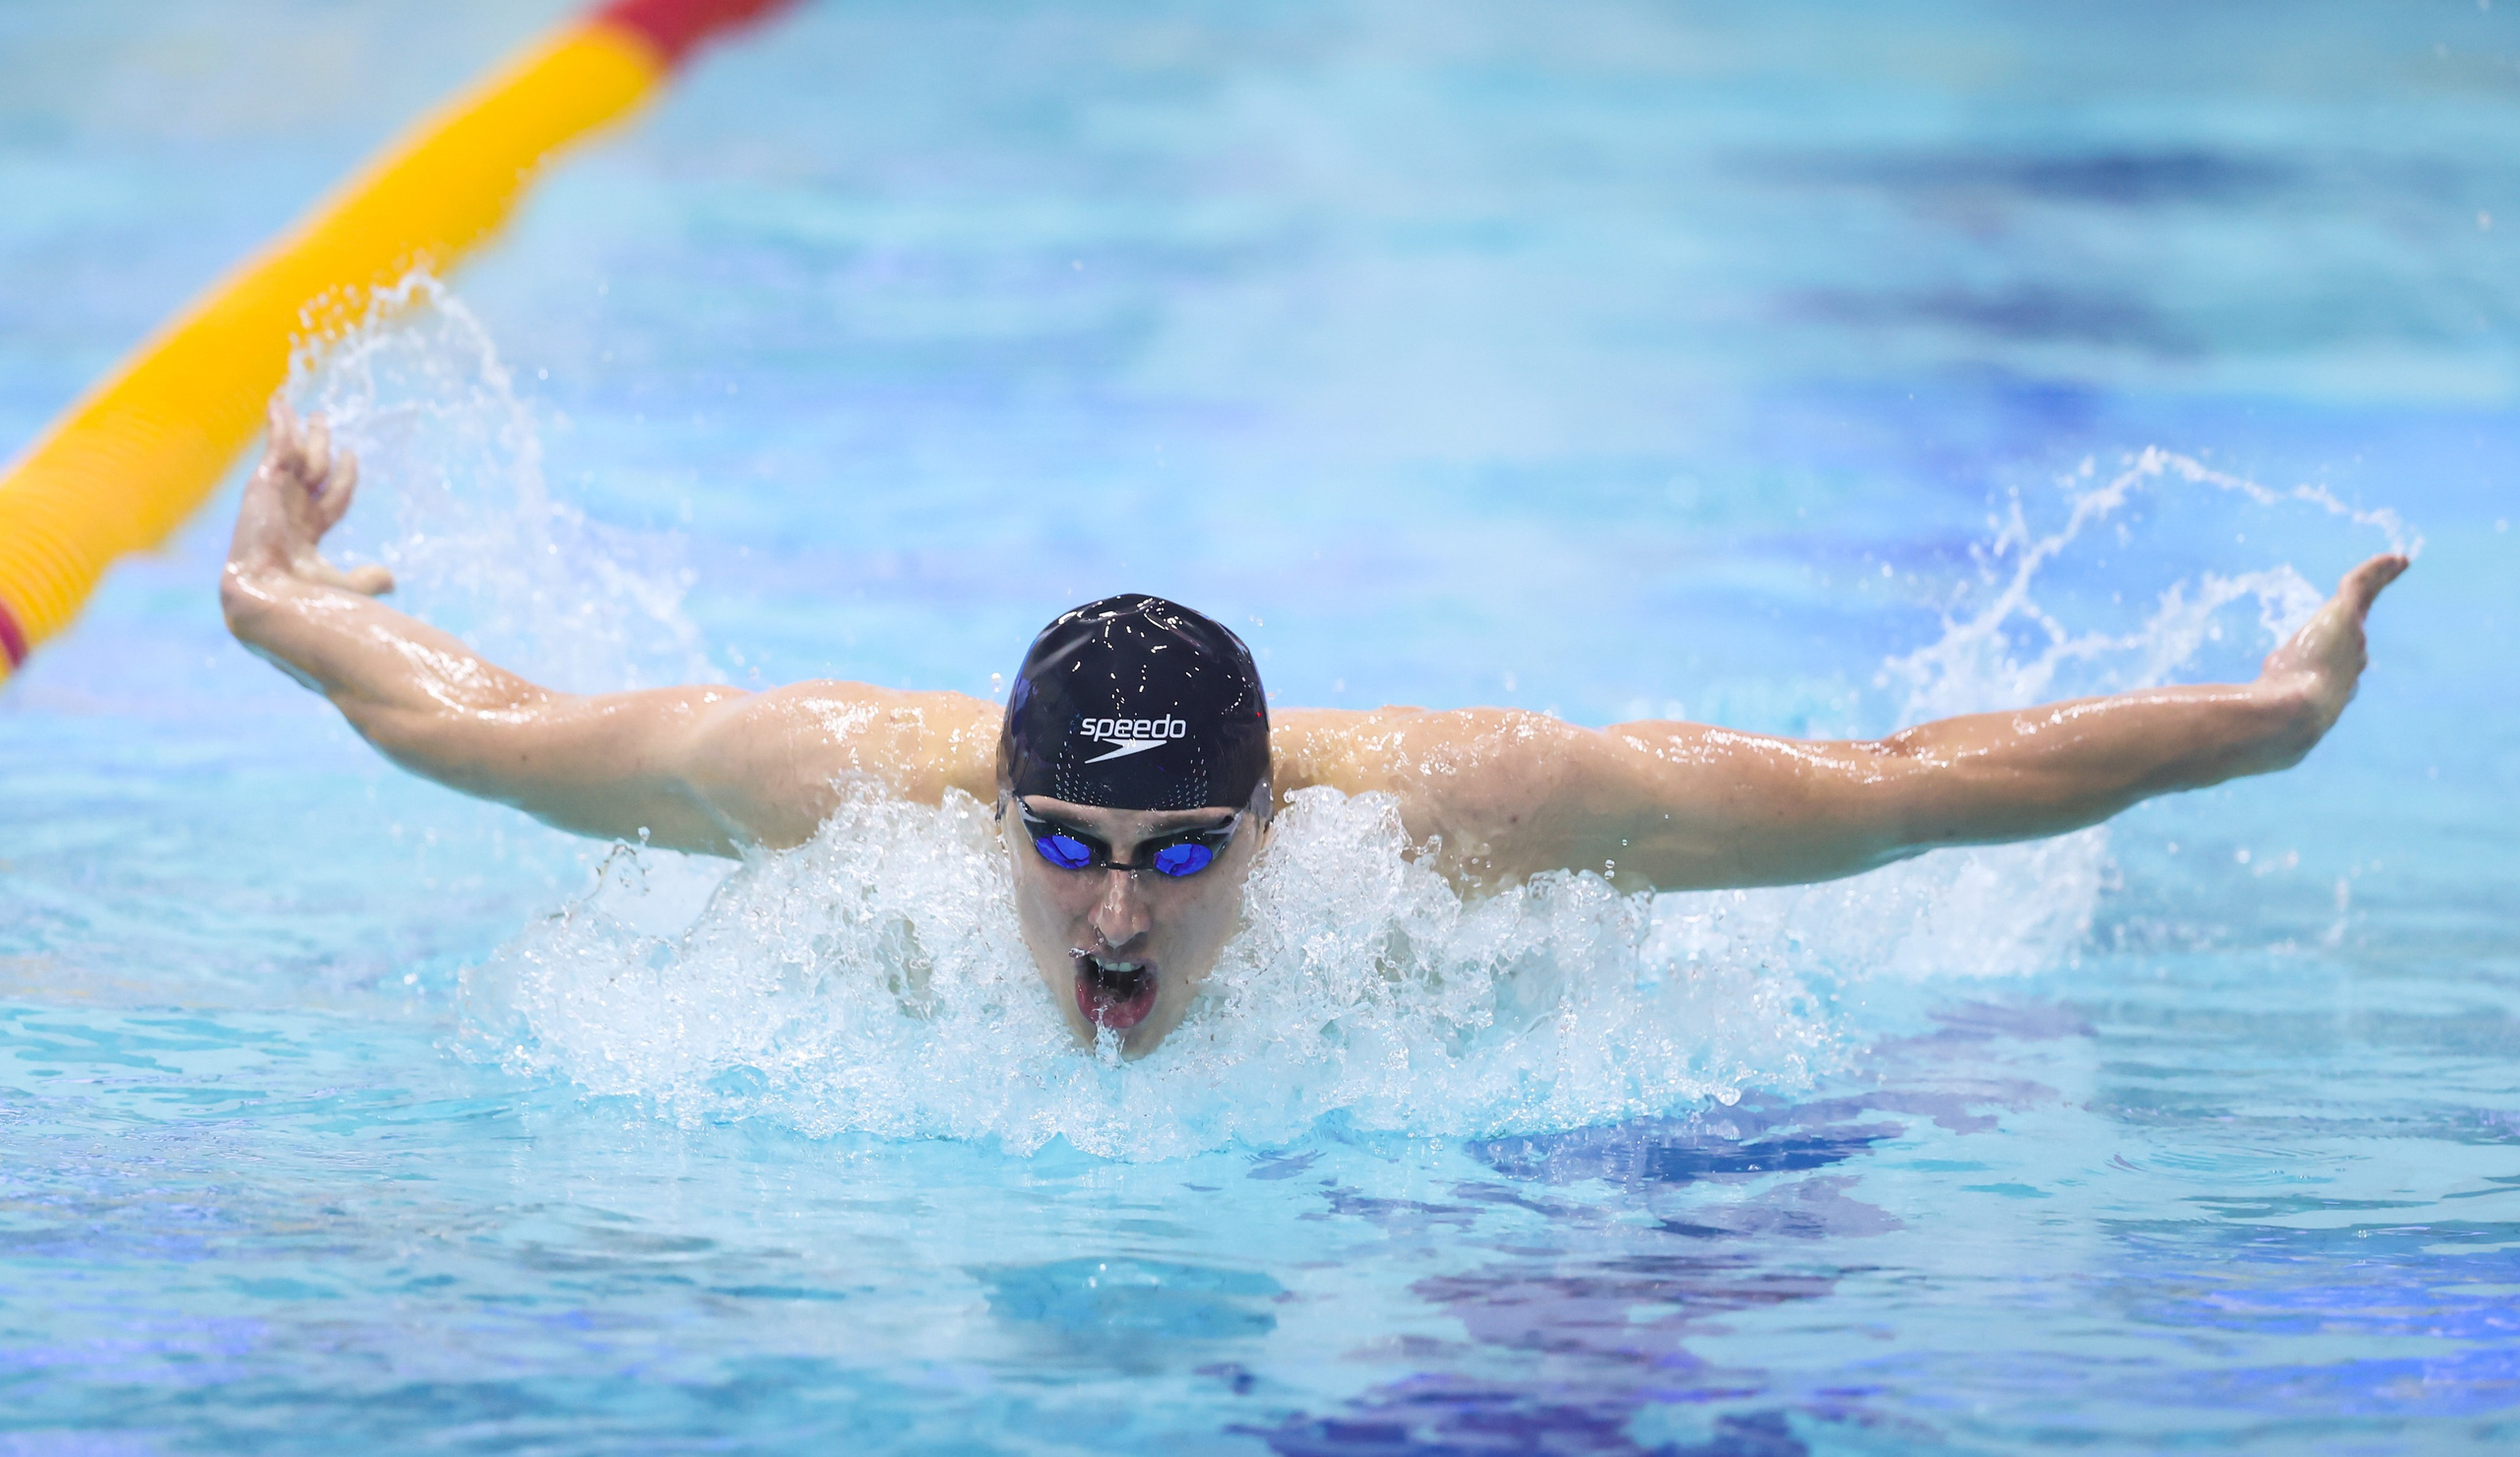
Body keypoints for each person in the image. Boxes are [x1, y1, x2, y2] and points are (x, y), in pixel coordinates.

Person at [222, 401, 2408, 1056]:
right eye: (1061, 837)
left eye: (1179, 855)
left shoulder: (1460, 819)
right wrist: (278, 599)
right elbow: (497, 732)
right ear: (988, 801)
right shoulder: (839, 786)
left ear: (1274, 824)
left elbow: (1901, 794)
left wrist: (2255, 719)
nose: (1106, 906)